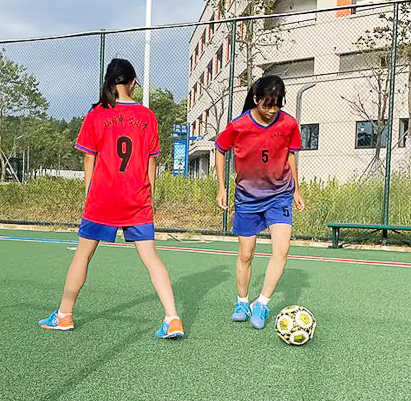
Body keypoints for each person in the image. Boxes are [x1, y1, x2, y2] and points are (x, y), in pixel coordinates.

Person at [38, 58, 183, 339]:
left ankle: (65, 315)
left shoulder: (96, 115)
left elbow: (89, 162)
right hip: (137, 198)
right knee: (151, 258)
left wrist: (88, 194)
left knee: (83, 255)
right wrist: (148, 198)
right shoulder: (147, 117)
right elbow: (151, 165)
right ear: (132, 83)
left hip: (102, 198)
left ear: (109, 81)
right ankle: (172, 317)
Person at [215, 74, 305, 330]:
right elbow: (220, 149)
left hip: (280, 195)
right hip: (247, 198)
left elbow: (290, 156)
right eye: (267, 104)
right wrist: (221, 187)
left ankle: (262, 303)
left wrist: (297, 189)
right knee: (246, 254)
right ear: (255, 99)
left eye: (277, 104)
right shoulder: (239, 124)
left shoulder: (289, 124)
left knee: (282, 249)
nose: (271, 110)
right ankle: (242, 301)